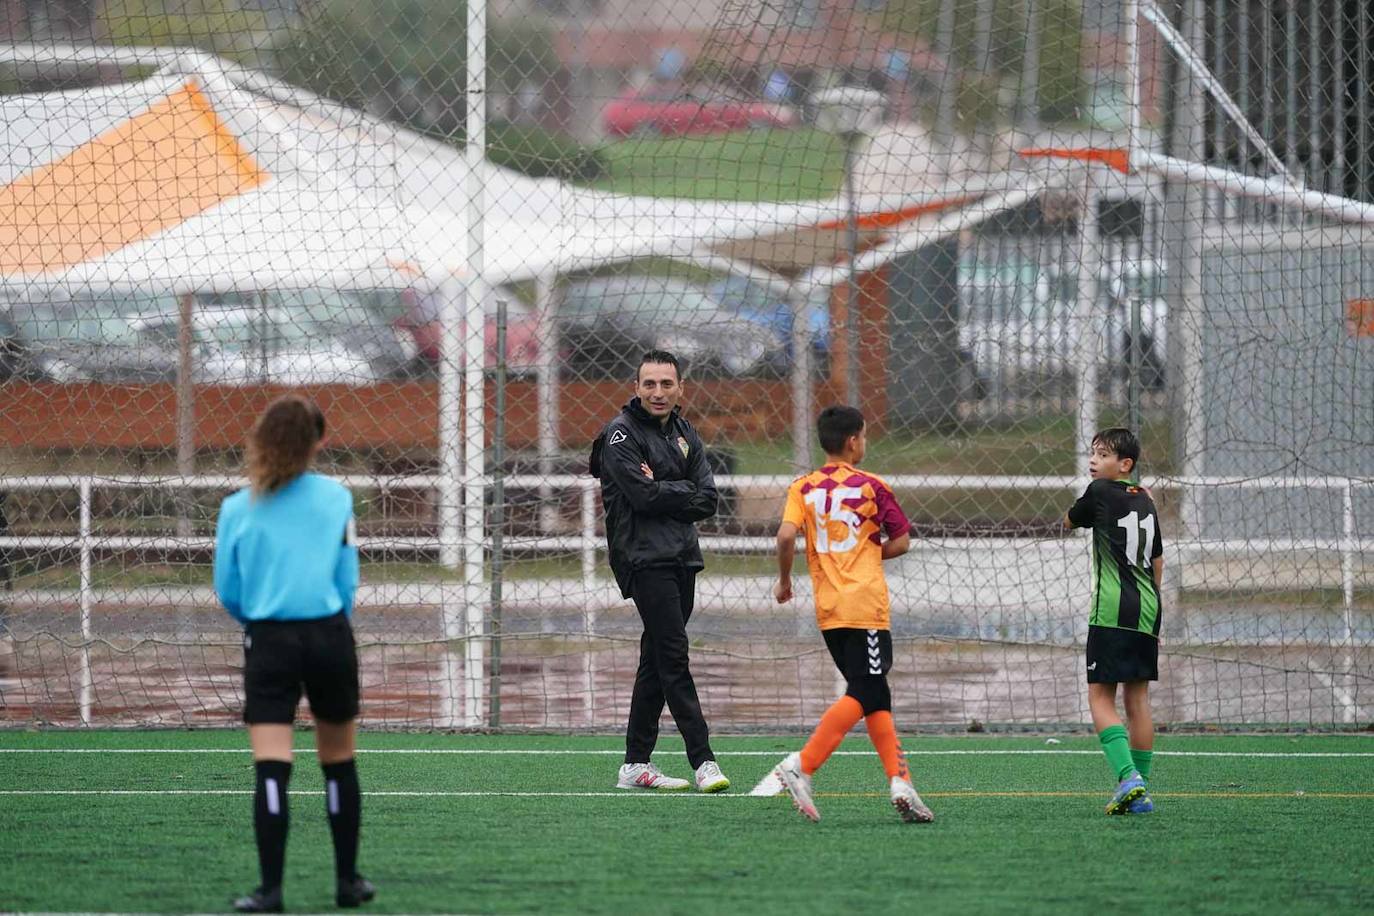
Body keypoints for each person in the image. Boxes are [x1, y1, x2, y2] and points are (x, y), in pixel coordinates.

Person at [213, 395, 376, 911]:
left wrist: (262, 618)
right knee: (338, 763)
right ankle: (347, 882)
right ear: (315, 443)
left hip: (269, 640)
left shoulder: (236, 507)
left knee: (271, 766)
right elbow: (346, 579)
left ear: (260, 440)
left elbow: (229, 589)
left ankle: (270, 891)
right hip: (329, 636)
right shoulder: (337, 499)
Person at [768, 405, 934, 823]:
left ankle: (901, 781)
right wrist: (867, 551)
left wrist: (785, 581)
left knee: (874, 690)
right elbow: (901, 541)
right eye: (864, 435)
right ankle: (802, 765)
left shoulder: (801, 487)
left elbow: (786, 534)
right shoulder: (872, 486)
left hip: (829, 607)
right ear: (854, 441)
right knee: (867, 689)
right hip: (864, 603)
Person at [588, 350, 729, 793]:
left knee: (656, 659)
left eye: (666, 384)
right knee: (673, 655)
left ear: (680, 388)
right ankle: (703, 760)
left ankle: (635, 764)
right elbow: (643, 499)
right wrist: (677, 489)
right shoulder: (619, 436)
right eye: (649, 384)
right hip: (643, 558)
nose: (658, 392)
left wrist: (665, 486)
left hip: (683, 556)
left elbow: (708, 498)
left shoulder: (686, 433)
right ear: (636, 387)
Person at [1063, 426, 1163, 815]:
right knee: (1138, 699)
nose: (1092, 461)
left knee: (1100, 696)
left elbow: (1070, 521)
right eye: (1092, 453)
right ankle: (1141, 790)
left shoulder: (1099, 492)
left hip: (1110, 610)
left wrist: (1072, 516)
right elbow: (1158, 562)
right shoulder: (1148, 503)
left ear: (1125, 465)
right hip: (1149, 608)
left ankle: (1128, 777)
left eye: (1102, 455)